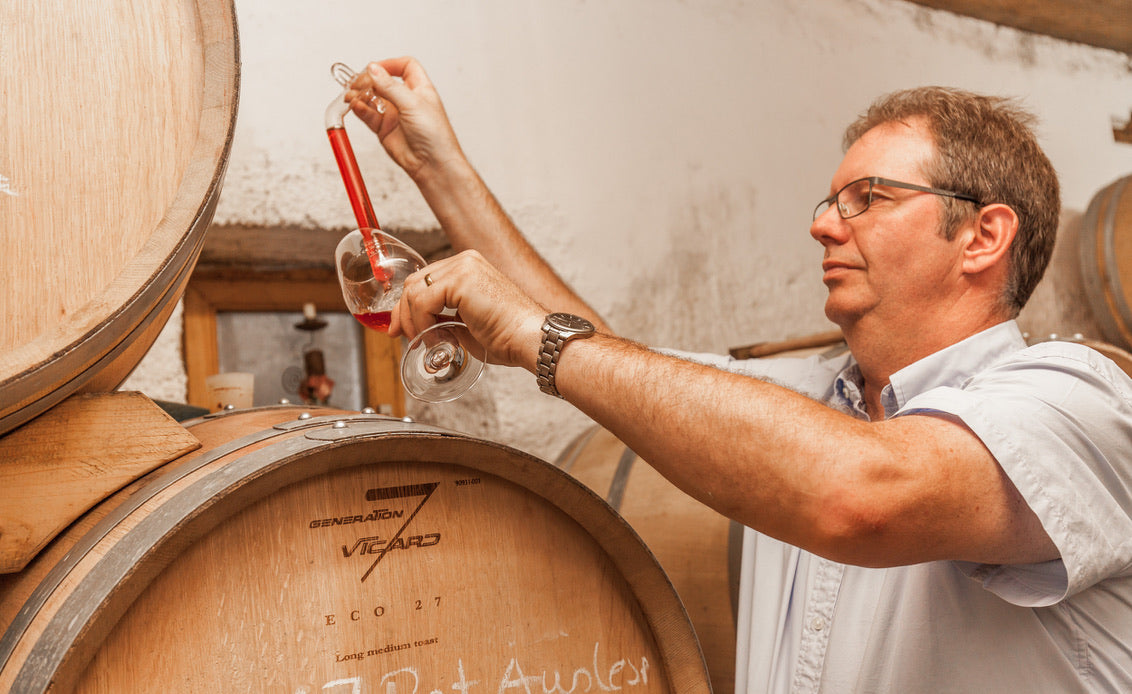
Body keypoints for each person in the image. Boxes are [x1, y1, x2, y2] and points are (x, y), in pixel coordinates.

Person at [345, 57, 1132, 691]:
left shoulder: (1078, 402)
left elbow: (863, 493)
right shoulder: (806, 405)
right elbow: (618, 368)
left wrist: (535, 338)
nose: (821, 224)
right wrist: (436, 165)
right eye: (830, 200)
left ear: (983, 236)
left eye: (867, 198)